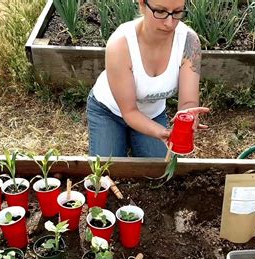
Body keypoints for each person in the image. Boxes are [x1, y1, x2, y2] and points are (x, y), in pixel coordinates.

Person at [87, 0, 209, 158]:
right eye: (160, 11)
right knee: (105, 173)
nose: (169, 23)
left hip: (152, 114)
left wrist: (188, 116)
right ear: (142, 4)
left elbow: (188, 102)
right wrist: (162, 132)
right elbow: (130, 112)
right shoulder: (121, 44)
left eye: (177, 12)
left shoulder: (188, 41)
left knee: (159, 173)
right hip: (109, 111)